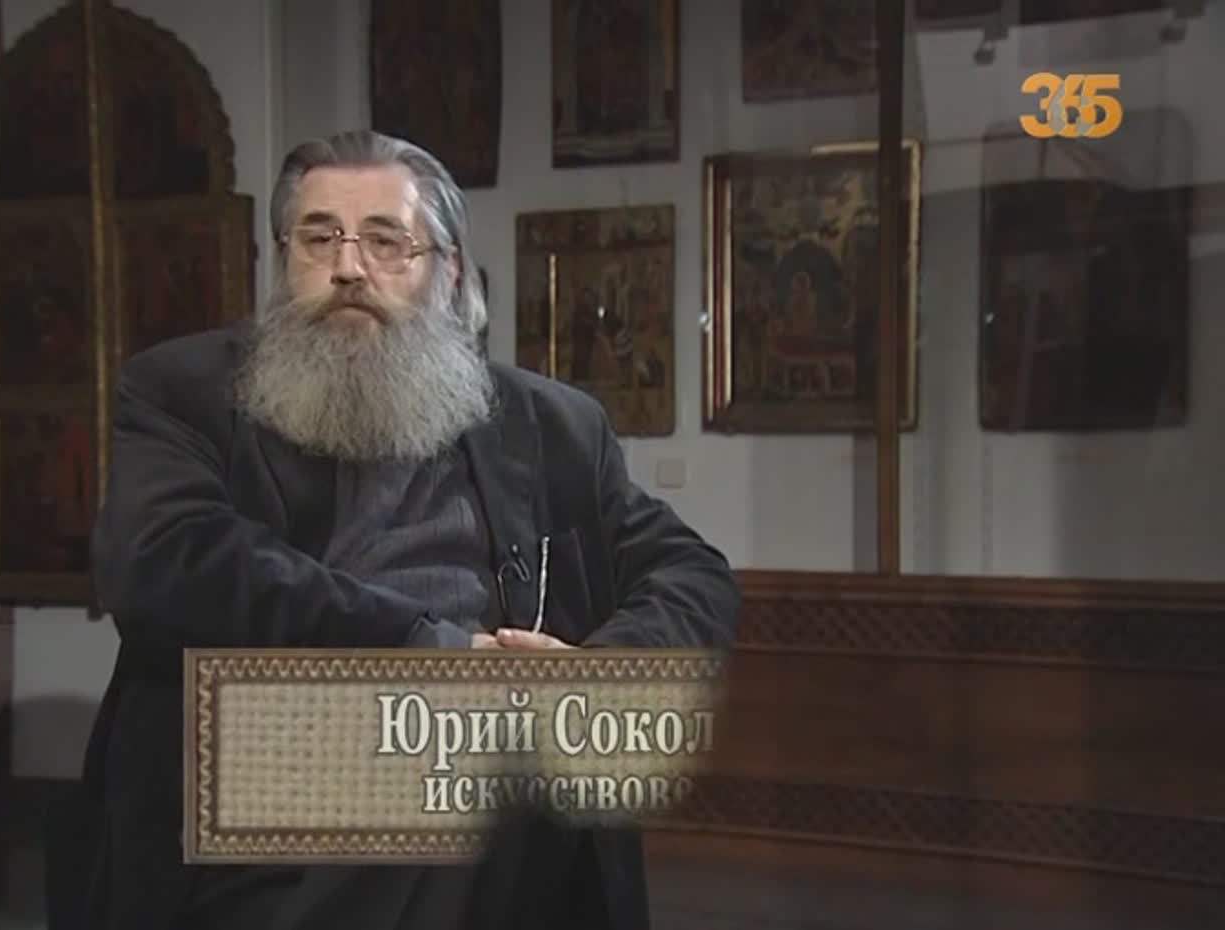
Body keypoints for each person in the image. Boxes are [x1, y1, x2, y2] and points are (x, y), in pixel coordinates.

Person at [46, 129, 740, 930]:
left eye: (385, 241)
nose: (348, 267)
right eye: (319, 239)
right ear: (284, 260)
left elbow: (692, 572)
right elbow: (162, 559)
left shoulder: (552, 424)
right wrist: (429, 656)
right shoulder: (185, 390)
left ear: (448, 271)